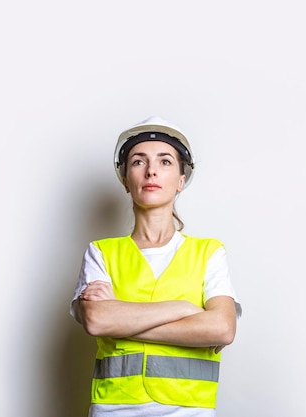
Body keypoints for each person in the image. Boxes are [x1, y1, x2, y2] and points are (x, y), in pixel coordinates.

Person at [70, 116, 242, 417]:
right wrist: (185, 309)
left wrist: (121, 320)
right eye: (138, 161)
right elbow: (97, 321)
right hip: (114, 408)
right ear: (126, 180)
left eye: (165, 162)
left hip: (189, 410)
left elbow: (223, 328)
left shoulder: (208, 252)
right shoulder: (101, 252)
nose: (151, 170)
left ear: (180, 180)